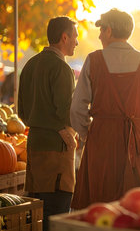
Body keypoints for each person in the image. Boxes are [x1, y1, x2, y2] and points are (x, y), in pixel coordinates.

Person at [70, 8, 140, 209]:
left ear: (109, 31)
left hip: (102, 137)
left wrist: (87, 134)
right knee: (138, 205)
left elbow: (77, 106)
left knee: (99, 201)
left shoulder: (93, 60)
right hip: (138, 139)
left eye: (101, 29)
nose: (98, 35)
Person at [18, 16, 78, 231]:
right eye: (75, 36)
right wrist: (63, 128)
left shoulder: (31, 65)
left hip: (33, 147)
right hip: (56, 151)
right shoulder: (61, 68)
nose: (77, 42)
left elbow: (22, 112)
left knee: (36, 214)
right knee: (56, 214)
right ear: (64, 37)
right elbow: (66, 112)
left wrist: (46, 124)